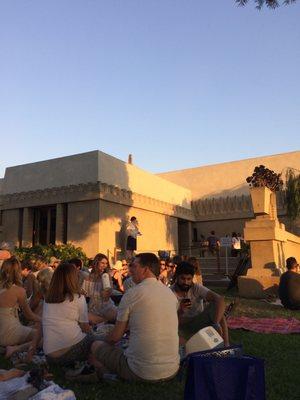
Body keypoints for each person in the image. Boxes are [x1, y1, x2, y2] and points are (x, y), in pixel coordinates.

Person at [90, 253, 179, 381]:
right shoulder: (170, 294)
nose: (130, 269)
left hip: (140, 371)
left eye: (134, 266)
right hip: (171, 369)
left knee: (96, 345)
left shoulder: (132, 294)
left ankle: (103, 374)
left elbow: (115, 337)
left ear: (145, 269)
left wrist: (102, 340)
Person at [42, 263, 94, 366]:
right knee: (96, 342)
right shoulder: (78, 298)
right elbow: (85, 327)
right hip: (70, 353)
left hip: (50, 356)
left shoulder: (47, 299)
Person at [171, 261, 229, 346]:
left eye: (189, 279)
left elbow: (219, 299)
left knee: (216, 308)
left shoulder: (196, 288)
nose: (185, 282)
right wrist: (181, 311)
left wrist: (215, 323)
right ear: (177, 277)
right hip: (181, 326)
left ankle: (226, 344)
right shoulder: (170, 292)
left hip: (198, 321)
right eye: (182, 279)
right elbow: (170, 320)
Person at [0, 257, 41, 361]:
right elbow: (29, 315)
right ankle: (14, 348)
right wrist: (43, 320)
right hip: (9, 333)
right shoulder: (18, 291)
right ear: (18, 272)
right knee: (42, 334)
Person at [82, 253, 117, 325]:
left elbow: (105, 298)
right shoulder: (87, 277)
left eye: (106, 263)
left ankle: (103, 322)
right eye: (102, 263)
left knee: (120, 318)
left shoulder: (107, 277)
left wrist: (106, 286)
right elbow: (84, 295)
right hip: (92, 308)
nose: (105, 265)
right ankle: (104, 322)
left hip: (106, 307)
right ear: (96, 263)